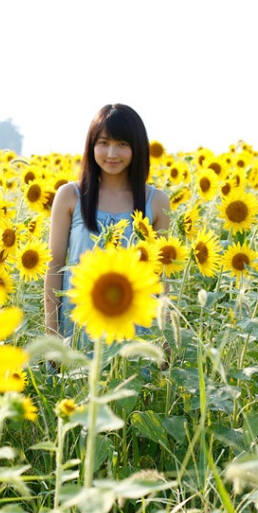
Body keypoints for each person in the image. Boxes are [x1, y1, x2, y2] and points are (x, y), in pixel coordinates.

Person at [43, 103, 171, 346]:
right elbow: (54, 266)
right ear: (91, 145)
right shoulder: (70, 195)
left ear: (137, 148)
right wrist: (52, 335)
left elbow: (162, 277)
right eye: (103, 142)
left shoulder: (156, 201)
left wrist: (164, 338)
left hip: (135, 334)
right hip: (78, 327)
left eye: (122, 144)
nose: (112, 153)